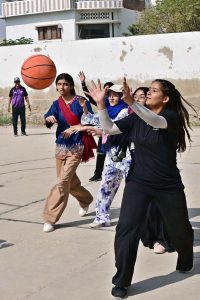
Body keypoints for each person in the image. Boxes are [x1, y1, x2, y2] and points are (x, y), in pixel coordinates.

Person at [88, 78, 194, 299]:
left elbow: (154, 121)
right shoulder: (135, 118)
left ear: (165, 98)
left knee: (180, 229)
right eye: (149, 90)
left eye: (153, 91)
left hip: (168, 185)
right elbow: (108, 128)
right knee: (126, 229)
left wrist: (131, 102)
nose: (148, 93)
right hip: (138, 182)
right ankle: (121, 282)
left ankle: (185, 257)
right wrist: (100, 104)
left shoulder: (169, 117)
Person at [42, 73, 96, 233]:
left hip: (77, 145)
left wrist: (84, 110)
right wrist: (49, 118)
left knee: (63, 181)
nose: (61, 87)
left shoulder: (81, 101)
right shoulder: (56, 103)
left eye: (65, 84)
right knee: (69, 180)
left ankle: (50, 218)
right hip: (61, 145)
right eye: (59, 84)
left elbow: (90, 119)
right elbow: (47, 117)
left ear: (71, 85)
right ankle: (86, 199)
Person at [74, 84, 131, 228]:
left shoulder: (126, 110)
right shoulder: (106, 110)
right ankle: (101, 217)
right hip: (112, 154)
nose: (112, 97)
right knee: (106, 186)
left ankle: (137, 220)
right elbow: (92, 119)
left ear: (121, 96)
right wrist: (85, 107)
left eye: (115, 95)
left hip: (127, 154)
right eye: (110, 94)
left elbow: (112, 126)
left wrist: (99, 130)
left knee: (133, 189)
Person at [78, 71, 113, 182]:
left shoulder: (119, 105)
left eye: (109, 90)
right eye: (105, 90)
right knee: (101, 153)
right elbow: (90, 96)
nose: (106, 93)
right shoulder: (102, 102)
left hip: (114, 132)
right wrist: (83, 82)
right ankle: (98, 174)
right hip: (102, 132)